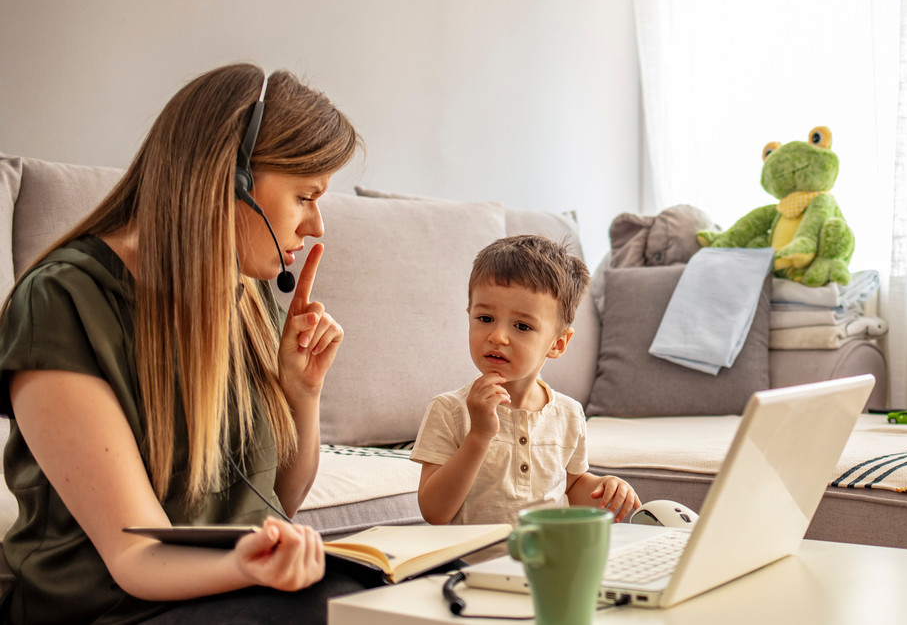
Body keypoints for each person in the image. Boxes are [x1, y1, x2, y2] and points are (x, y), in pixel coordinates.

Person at [0, 63, 366, 624]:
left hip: (229, 597)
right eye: (306, 196)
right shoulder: (61, 302)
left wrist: (302, 391)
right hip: (110, 612)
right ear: (233, 179)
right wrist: (248, 568)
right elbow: (136, 557)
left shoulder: (246, 294)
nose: (316, 225)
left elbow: (276, 506)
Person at [412, 235, 641, 527]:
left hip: (546, 566)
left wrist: (606, 489)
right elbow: (434, 512)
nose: (497, 336)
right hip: (472, 567)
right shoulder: (449, 410)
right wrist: (479, 435)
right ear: (469, 315)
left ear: (558, 343)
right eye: (485, 318)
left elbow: (570, 487)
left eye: (521, 326)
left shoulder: (568, 414)